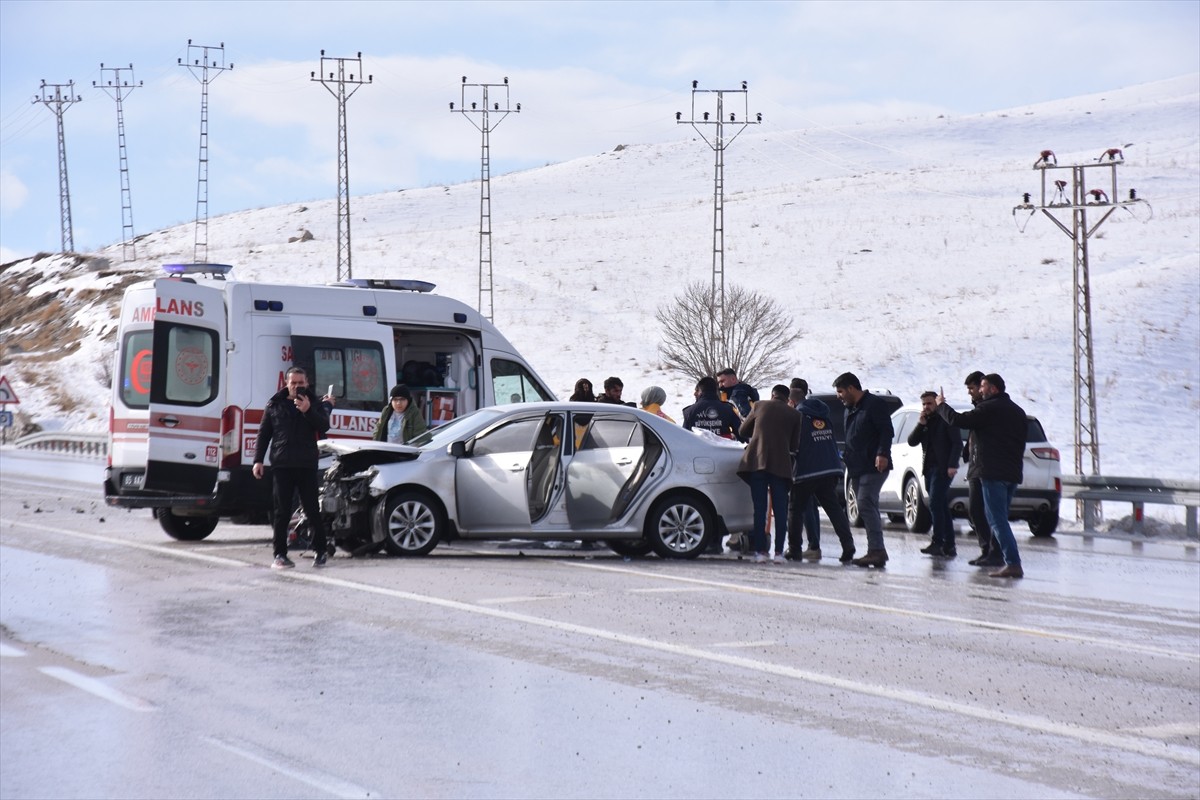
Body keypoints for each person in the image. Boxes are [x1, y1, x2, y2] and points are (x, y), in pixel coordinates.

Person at [936, 373, 1028, 579]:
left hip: (993, 472)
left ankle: (1013, 563)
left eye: (983, 386)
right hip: (1012, 472)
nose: (979, 390)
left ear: (994, 389)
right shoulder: (1018, 411)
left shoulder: (988, 408)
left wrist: (941, 405)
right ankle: (1003, 557)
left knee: (996, 520)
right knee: (999, 518)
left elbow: (958, 420)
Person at [252, 366, 334, 569]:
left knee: (312, 509)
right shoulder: (274, 404)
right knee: (281, 511)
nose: (297, 386)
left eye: (300, 383)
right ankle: (280, 554)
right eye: (293, 383)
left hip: (306, 464)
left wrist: (308, 411)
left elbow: (324, 426)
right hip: (282, 464)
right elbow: (264, 433)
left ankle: (320, 551)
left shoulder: (314, 403)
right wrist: (258, 460)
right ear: (286, 383)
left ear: (307, 383)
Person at [834, 372, 894, 568]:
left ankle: (876, 550)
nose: (838, 396)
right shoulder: (850, 409)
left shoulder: (874, 404)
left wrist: (882, 453)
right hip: (856, 467)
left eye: (841, 391)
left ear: (851, 388)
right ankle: (876, 550)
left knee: (865, 503)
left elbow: (886, 431)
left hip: (873, 465)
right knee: (866, 506)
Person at [788, 395, 857, 563]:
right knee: (834, 509)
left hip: (806, 471)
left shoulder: (798, 418)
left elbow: (793, 447)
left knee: (795, 510)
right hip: (830, 469)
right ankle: (848, 544)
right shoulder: (824, 417)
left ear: (792, 402)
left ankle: (794, 549)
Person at [737, 385, 802, 563]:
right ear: (787, 399)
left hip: (757, 463)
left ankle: (760, 552)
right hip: (781, 467)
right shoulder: (795, 414)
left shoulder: (759, 406)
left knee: (760, 510)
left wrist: (759, 432)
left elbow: (742, 431)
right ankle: (779, 553)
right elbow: (794, 445)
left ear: (772, 395)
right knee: (780, 511)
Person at [907, 390, 960, 557]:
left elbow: (957, 443)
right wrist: (920, 424)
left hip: (942, 468)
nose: (926, 407)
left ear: (937, 403)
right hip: (928, 469)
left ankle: (938, 542)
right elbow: (912, 441)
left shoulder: (946, 418)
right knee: (941, 506)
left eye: (929, 403)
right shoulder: (926, 421)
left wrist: (952, 464)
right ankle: (949, 545)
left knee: (935, 503)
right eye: (924, 404)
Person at [961, 371, 998, 566]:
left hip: (986, 467)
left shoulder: (987, 409)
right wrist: (967, 450)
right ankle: (987, 550)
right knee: (976, 511)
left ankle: (994, 552)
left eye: (972, 388)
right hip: (976, 466)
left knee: (988, 512)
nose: (970, 392)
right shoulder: (979, 408)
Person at [787, 377, 821, 555]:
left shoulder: (798, 413)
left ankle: (810, 546)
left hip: (803, 466)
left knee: (802, 507)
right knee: (812, 506)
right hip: (819, 464)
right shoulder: (818, 410)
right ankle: (815, 544)